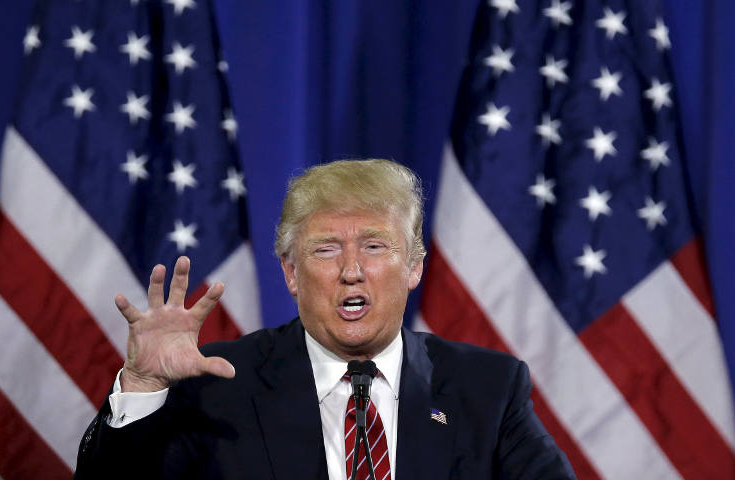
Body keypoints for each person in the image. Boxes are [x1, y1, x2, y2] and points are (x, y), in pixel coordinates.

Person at [75, 159, 575, 479]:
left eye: (375, 247)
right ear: (291, 273)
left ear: (415, 266)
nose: (352, 272)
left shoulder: (487, 387)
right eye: (326, 249)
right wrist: (142, 387)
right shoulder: (217, 382)